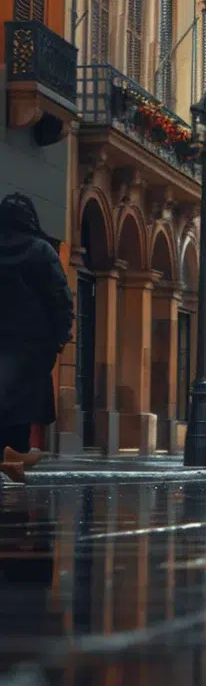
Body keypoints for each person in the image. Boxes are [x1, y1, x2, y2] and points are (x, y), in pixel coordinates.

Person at [0, 193, 74, 484]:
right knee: (21, 406)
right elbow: (59, 297)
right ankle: (14, 455)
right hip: (30, 345)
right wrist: (60, 335)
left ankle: (11, 457)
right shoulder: (40, 251)